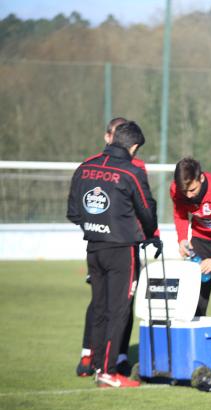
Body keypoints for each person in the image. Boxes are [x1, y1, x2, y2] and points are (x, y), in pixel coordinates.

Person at [67, 121, 159, 388]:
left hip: (93, 246)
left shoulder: (85, 168)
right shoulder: (131, 172)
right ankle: (107, 371)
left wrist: (97, 225)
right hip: (122, 250)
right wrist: (150, 233)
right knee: (119, 309)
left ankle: (95, 363)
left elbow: (74, 212)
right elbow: (146, 209)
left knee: (100, 306)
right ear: (133, 146)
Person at [170, 157, 211, 318]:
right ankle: (195, 340)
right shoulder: (176, 190)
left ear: (201, 178)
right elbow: (180, 215)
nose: (189, 195)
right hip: (201, 241)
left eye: (192, 190)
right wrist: (183, 239)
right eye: (184, 191)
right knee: (195, 298)